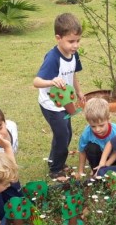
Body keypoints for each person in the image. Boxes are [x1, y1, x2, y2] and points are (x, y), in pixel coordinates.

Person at [33, 13, 85, 179]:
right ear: (58, 38)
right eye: (71, 41)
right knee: (63, 135)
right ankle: (56, 170)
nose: (75, 45)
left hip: (65, 102)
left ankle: (52, 160)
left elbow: (73, 75)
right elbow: (36, 82)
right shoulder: (53, 58)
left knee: (65, 133)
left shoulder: (73, 54)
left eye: (78, 40)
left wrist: (79, 91)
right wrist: (52, 81)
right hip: (50, 104)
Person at [78, 97, 116, 176]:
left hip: (114, 156)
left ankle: (103, 169)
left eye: (101, 125)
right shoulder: (87, 132)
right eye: (93, 126)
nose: (97, 129)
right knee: (91, 148)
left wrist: (104, 167)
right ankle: (95, 169)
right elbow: (82, 152)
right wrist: (80, 171)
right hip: (98, 156)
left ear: (108, 119)